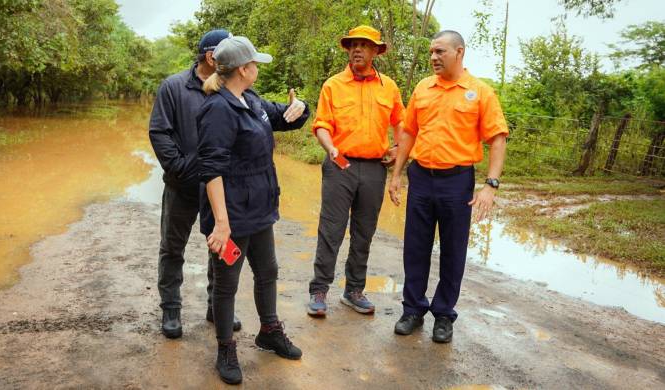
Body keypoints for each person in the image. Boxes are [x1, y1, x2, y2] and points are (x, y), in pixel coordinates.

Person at [196, 36, 309, 384]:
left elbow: (282, 117)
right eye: (255, 63)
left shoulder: (251, 100)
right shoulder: (217, 109)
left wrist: (299, 108)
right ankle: (226, 348)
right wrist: (222, 224)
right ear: (243, 70)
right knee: (227, 283)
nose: (258, 68)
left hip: (259, 206)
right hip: (232, 213)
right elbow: (211, 169)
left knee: (268, 270)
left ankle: (269, 331)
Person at [389, 31, 508, 343]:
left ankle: (443, 315)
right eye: (431, 52)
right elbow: (408, 133)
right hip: (421, 178)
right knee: (415, 246)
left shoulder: (480, 92)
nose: (433, 57)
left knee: (453, 250)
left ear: (459, 52)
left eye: (440, 51)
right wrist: (397, 174)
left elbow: (497, 137)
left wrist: (490, 185)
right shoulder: (422, 89)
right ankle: (413, 309)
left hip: (457, 181)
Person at [148, 29, 242, 339]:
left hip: (219, 187)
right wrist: (179, 168)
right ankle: (171, 309)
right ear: (210, 56)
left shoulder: (230, 87)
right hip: (182, 186)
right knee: (172, 248)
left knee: (221, 246)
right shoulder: (173, 87)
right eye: (226, 52)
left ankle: (217, 306)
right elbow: (159, 132)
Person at [307, 25, 405, 317]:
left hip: (375, 168)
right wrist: (330, 147)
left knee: (364, 232)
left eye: (365, 45)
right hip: (340, 164)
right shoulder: (333, 85)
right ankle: (319, 290)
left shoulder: (389, 87)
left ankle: (354, 291)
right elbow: (322, 124)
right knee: (331, 229)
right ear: (348, 50)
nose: (358, 49)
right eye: (353, 45)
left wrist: (399, 147)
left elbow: (401, 122)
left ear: (376, 51)